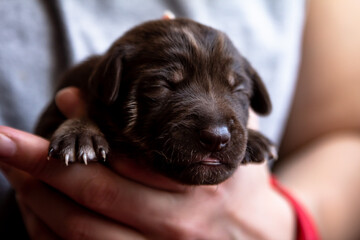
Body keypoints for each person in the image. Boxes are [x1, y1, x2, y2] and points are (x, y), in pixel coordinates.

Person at [1, 0, 360, 239]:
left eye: (235, 90)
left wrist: (291, 222)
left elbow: (346, 132)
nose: (217, 131)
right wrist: (82, 128)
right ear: (109, 82)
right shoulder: (87, 84)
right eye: (162, 85)